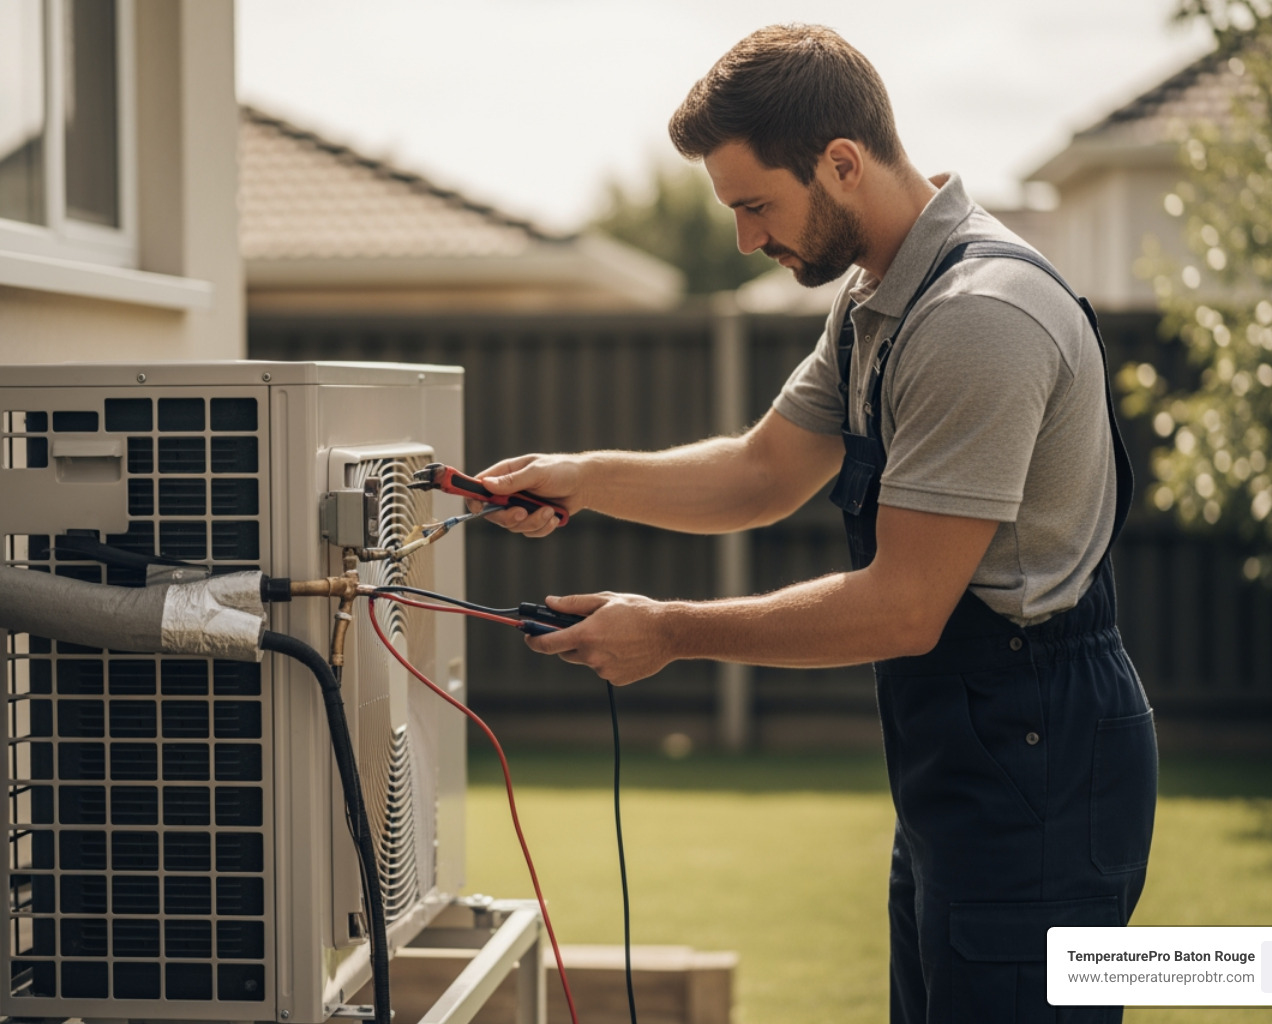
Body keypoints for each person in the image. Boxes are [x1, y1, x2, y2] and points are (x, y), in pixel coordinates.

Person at [474, 23, 1157, 1024]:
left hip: (1039, 759)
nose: (747, 237)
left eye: (756, 205)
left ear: (842, 162)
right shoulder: (878, 299)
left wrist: (669, 631)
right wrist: (585, 477)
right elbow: (761, 473)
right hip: (965, 757)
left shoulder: (978, 315)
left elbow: (904, 608)